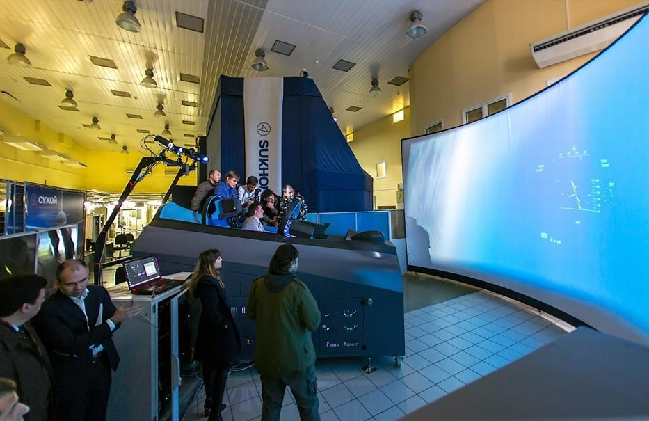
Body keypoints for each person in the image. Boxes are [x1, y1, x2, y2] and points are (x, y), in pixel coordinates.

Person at [32, 259, 143, 421]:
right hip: (73, 373)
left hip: (100, 365)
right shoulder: (50, 309)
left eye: (83, 280)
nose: (78, 287)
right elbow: (72, 345)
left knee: (98, 413)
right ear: (57, 283)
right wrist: (109, 324)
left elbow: (115, 321)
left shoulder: (98, 293)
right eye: (71, 284)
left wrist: (109, 324)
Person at [246, 244, 321, 421]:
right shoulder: (298, 289)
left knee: (271, 407)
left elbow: (250, 313)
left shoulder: (258, 285)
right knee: (308, 407)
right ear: (292, 264)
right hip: (297, 361)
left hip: (268, 359)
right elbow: (314, 322)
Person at [188, 250, 240, 421]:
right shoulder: (208, 283)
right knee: (221, 371)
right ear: (211, 262)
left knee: (209, 368)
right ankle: (215, 413)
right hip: (217, 334)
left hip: (210, 333)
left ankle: (210, 403)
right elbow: (212, 310)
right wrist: (223, 324)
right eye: (218, 258)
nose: (221, 260)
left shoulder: (203, 280)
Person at [0, 275, 51, 421]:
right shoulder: (4, 347)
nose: (43, 302)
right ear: (26, 307)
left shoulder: (26, 329)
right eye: (41, 299)